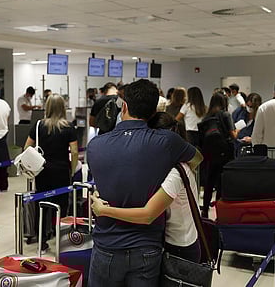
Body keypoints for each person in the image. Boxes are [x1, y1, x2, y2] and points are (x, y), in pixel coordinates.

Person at [87, 79, 199, 287]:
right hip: (147, 248)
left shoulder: (95, 146)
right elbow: (197, 159)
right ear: (154, 111)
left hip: (107, 244)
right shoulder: (167, 142)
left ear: (125, 106)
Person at [91, 112, 201, 263]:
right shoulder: (166, 166)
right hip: (171, 241)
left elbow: (148, 214)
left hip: (179, 247)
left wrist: (104, 210)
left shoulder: (176, 173)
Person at [24, 93, 78, 252]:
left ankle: (42, 240)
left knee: (42, 205)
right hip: (61, 172)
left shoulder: (39, 125)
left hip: (43, 171)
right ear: (62, 107)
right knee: (62, 205)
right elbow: (74, 152)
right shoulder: (68, 127)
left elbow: (27, 147)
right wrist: (72, 169)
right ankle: (61, 237)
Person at [200, 92, 237, 218]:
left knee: (209, 183)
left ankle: (204, 210)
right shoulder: (225, 115)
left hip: (209, 154)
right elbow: (233, 135)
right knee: (221, 183)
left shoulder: (206, 117)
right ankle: (219, 212)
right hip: (224, 153)